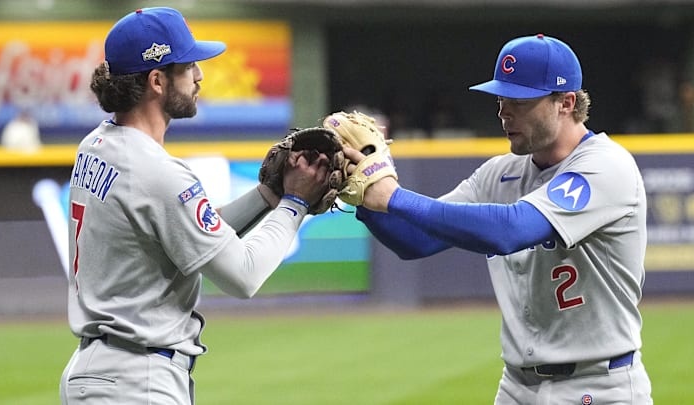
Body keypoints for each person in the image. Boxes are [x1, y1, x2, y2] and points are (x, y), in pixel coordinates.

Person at [344, 34, 653, 404]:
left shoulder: (605, 166)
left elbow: (512, 229)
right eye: (501, 99)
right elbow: (415, 241)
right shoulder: (500, 173)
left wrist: (393, 196)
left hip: (599, 385)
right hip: (517, 387)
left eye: (519, 101)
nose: (504, 112)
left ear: (566, 103)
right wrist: (362, 196)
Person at [59, 7, 331, 404]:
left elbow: (187, 232)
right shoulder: (159, 173)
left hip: (97, 372)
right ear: (156, 80)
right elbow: (244, 274)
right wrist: (295, 204)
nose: (199, 76)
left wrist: (267, 197)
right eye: (188, 67)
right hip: (137, 379)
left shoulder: (96, 145)